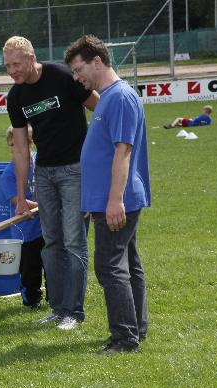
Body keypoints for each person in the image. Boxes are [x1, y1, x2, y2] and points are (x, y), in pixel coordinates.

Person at [3, 35, 99, 331]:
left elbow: (101, 108)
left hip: (75, 171)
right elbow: (21, 149)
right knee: (52, 243)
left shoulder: (60, 76)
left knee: (73, 242)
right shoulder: (15, 97)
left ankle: (74, 312)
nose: (12, 71)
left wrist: (95, 157)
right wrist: (21, 195)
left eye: (17, 64)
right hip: (44, 174)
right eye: (7, 66)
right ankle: (58, 309)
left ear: (32, 59)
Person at [65, 35, 150, 354]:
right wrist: (95, 200)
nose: (77, 77)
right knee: (127, 263)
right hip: (106, 200)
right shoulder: (109, 97)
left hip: (119, 200)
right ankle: (135, 330)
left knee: (109, 266)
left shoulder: (121, 97)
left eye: (78, 69)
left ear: (97, 61)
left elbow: (123, 152)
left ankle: (125, 338)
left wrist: (114, 200)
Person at [0, 126, 47, 310]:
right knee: (30, 268)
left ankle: (54, 297)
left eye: (19, 144)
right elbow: (18, 201)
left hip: (47, 227)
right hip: (26, 232)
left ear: (31, 143)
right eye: (11, 145)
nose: (15, 149)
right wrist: (45, 206)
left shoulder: (41, 162)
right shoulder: (9, 173)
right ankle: (31, 300)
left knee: (52, 266)